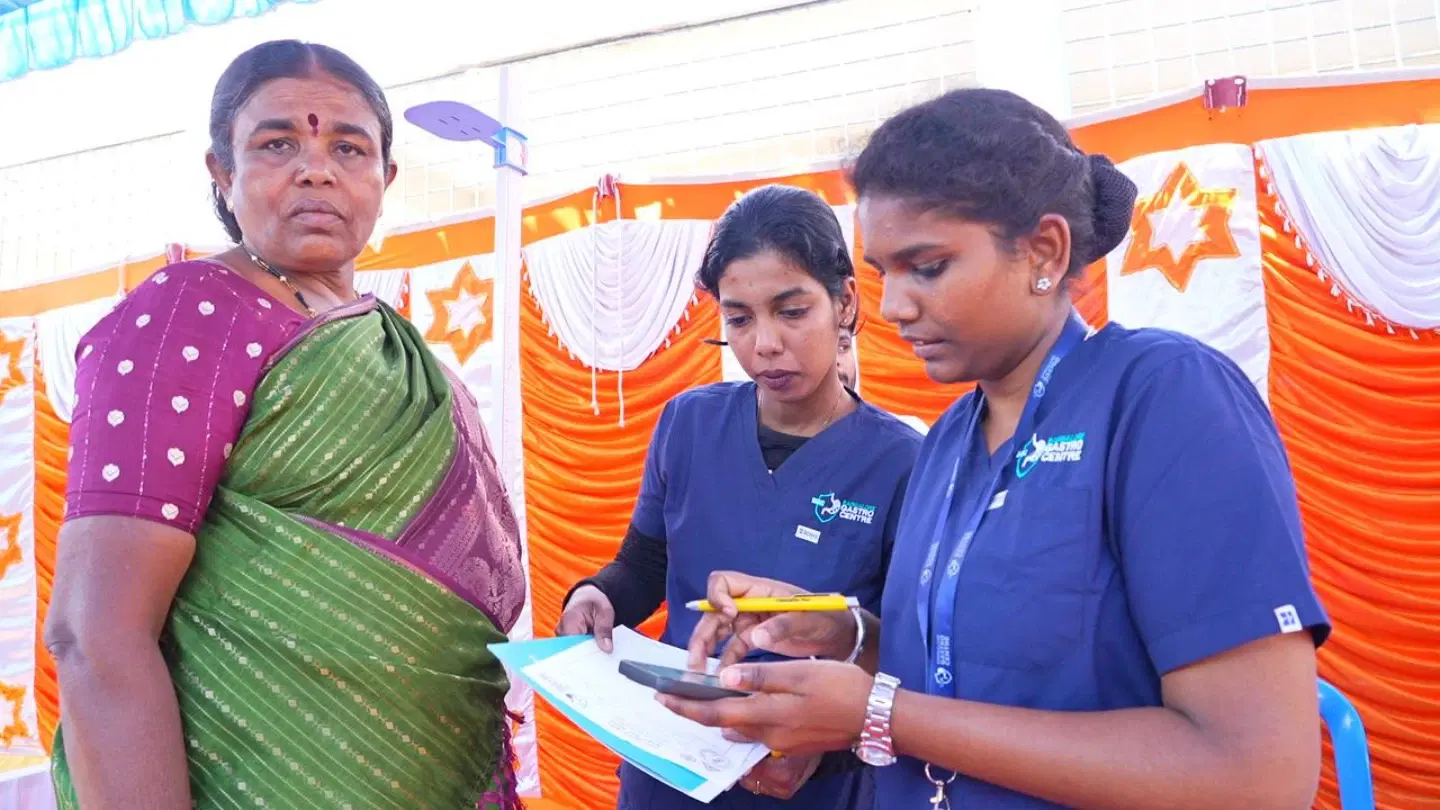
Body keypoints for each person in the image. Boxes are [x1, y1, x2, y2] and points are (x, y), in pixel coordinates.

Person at [660, 88, 1331, 810]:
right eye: (887, 273)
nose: (893, 308)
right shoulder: (948, 440)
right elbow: (960, 671)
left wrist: (883, 715)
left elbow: (1258, 776)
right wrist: (846, 632)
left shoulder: (1164, 398)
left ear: (1043, 251)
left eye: (929, 266)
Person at [44, 40, 527, 810]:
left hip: (441, 772)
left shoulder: (397, 346)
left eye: (348, 147)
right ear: (221, 172)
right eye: (277, 144)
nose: (316, 169)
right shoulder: (188, 316)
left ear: (385, 177)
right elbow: (94, 634)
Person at [555, 184, 922, 808]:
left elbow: (900, 646)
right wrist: (599, 595)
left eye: (792, 310)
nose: (765, 344)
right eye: (739, 318)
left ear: (847, 303)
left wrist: (819, 746)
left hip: (811, 777)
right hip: (672, 759)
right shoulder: (687, 424)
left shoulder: (902, 461)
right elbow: (648, 563)